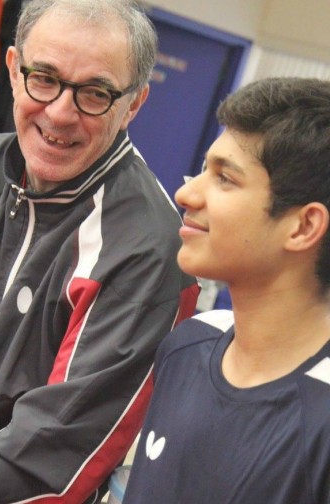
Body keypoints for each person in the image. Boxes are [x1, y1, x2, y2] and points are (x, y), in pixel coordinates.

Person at [0, 0, 199, 502]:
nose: (60, 113)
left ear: (134, 104)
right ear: (15, 71)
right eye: (44, 77)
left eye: (95, 93)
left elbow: (51, 462)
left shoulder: (146, 250)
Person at [123, 77, 330, 504]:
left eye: (225, 179)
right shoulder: (190, 343)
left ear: (304, 226)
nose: (185, 193)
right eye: (203, 169)